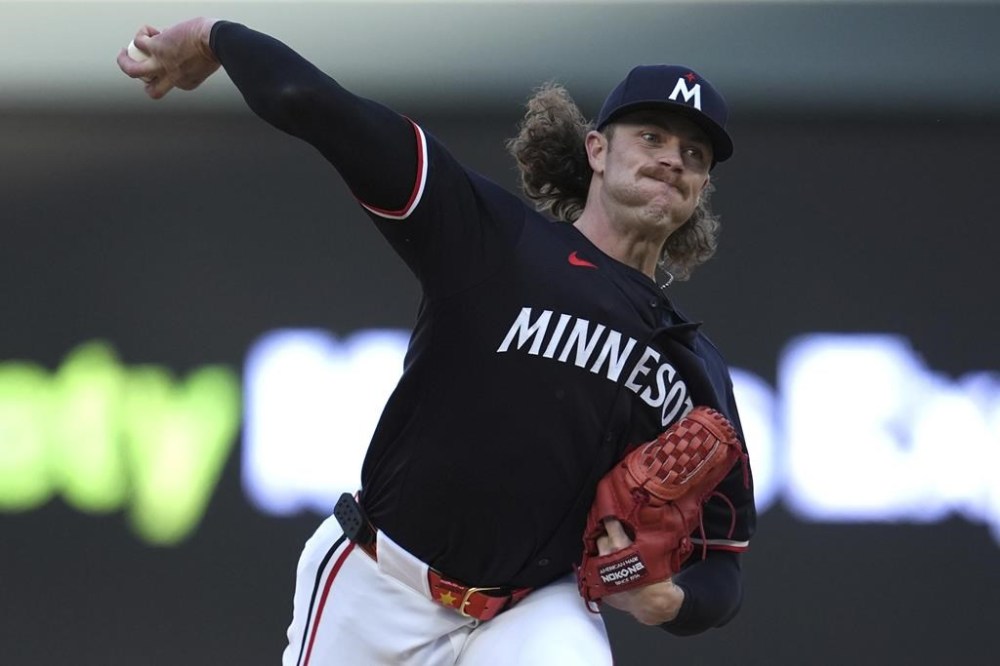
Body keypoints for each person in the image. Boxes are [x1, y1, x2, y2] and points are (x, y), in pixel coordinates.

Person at [118, 17, 756, 666]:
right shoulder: (495, 243)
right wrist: (211, 38)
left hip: (535, 608)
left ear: (701, 188)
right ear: (597, 150)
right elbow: (320, 109)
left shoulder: (692, 367)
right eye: (652, 136)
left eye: (695, 154)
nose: (673, 158)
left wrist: (667, 602)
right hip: (380, 583)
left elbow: (724, 564)